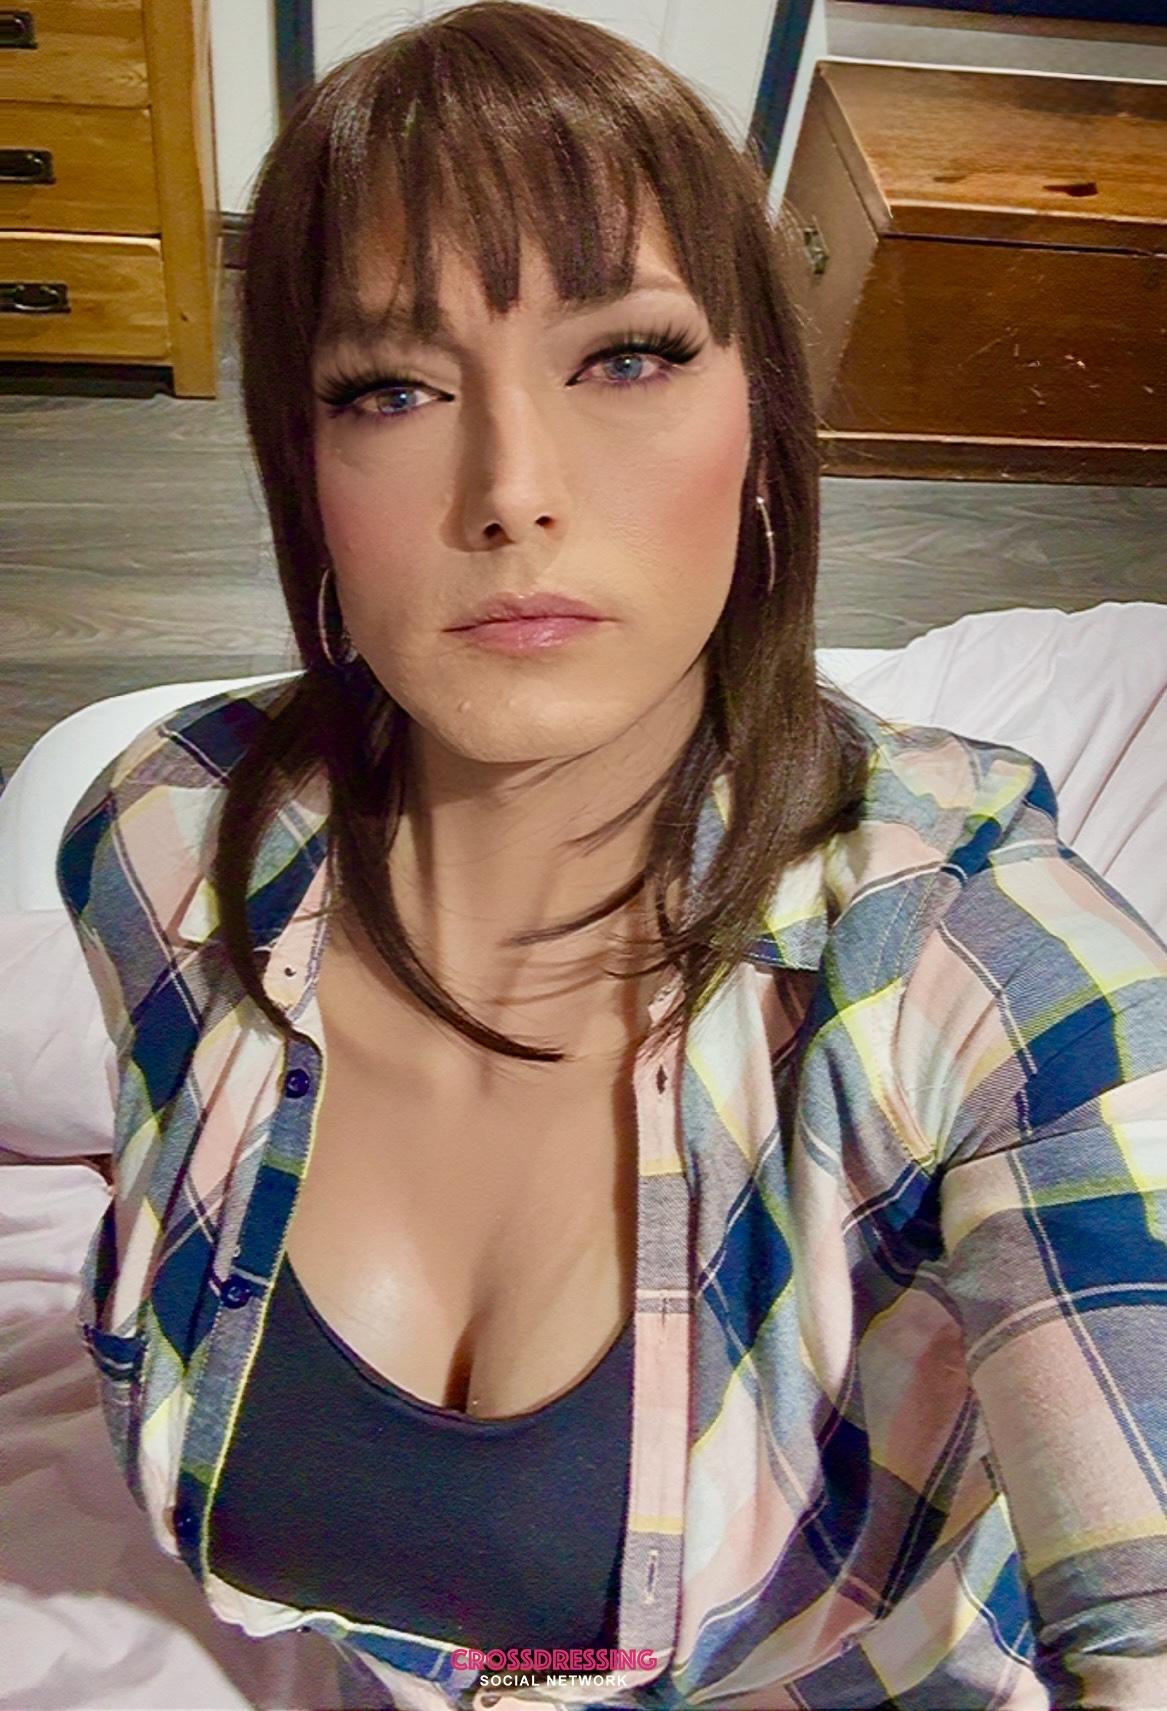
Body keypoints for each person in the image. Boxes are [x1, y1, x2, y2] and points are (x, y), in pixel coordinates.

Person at [56, 4, 1167, 1709]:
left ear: (763, 423)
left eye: (628, 358)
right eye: (392, 388)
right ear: (305, 466)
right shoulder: (160, 843)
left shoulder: (997, 994)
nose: (513, 490)